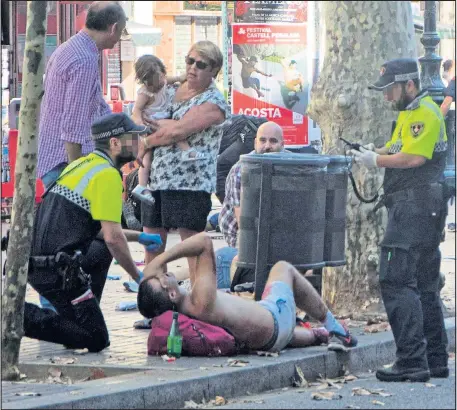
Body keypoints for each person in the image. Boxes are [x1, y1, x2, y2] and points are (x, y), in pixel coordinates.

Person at [24, 113, 162, 352]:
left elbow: (92, 228)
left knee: (78, 326)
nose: (140, 144)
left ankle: (85, 313)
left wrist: (138, 236)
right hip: (57, 271)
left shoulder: (82, 164)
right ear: (115, 143)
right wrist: (138, 277)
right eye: (134, 138)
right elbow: (113, 238)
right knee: (96, 339)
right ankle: (18, 316)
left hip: (39, 265)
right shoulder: (107, 175)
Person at [352, 58, 449, 382]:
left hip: (413, 209)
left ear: (409, 85)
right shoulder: (412, 114)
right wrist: (373, 150)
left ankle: (411, 360)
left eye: (390, 90)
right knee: (424, 285)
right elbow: (400, 148)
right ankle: (434, 359)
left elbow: (414, 157)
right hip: (423, 207)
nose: (386, 97)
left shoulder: (423, 112)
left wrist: (375, 159)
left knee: (395, 280)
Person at [36, 1, 126, 311]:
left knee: (62, 244)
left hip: (56, 159)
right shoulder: (85, 60)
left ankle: (61, 313)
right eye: (121, 33)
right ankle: (57, 316)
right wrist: (78, 176)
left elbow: (94, 106)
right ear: (113, 28)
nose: (118, 40)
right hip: (65, 163)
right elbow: (73, 126)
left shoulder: (71, 48)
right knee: (66, 247)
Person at [137, 233, 357, 352]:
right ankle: (336, 329)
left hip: (269, 339)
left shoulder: (189, 307)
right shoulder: (200, 301)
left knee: (296, 332)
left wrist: (155, 276)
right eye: (162, 279)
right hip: (276, 321)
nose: (164, 274)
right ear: (172, 295)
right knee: (283, 268)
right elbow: (203, 242)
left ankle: (319, 335)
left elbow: (193, 253)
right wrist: (160, 259)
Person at [138, 41, 231, 284]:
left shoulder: (213, 102)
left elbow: (176, 131)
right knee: (152, 244)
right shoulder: (173, 88)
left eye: (201, 65)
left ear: (214, 70)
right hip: (157, 179)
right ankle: (156, 305)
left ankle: (203, 304)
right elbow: (150, 108)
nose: (193, 68)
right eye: (190, 61)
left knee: (192, 247)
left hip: (189, 182)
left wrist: (147, 142)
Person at [219, 121, 287, 289]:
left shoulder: (291, 167)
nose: (267, 146)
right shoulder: (240, 170)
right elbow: (245, 225)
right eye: (262, 140)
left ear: (283, 145)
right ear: (255, 143)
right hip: (242, 236)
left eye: (273, 141)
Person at [130, 55, 205, 203]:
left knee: (147, 155)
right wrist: (141, 125)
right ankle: (187, 152)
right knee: (172, 133)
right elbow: (136, 111)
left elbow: (176, 79)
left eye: (160, 79)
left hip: (161, 120)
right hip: (152, 123)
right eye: (153, 83)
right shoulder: (144, 93)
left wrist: (185, 78)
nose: (159, 84)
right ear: (145, 82)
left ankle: (141, 186)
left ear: (163, 73)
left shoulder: (163, 80)